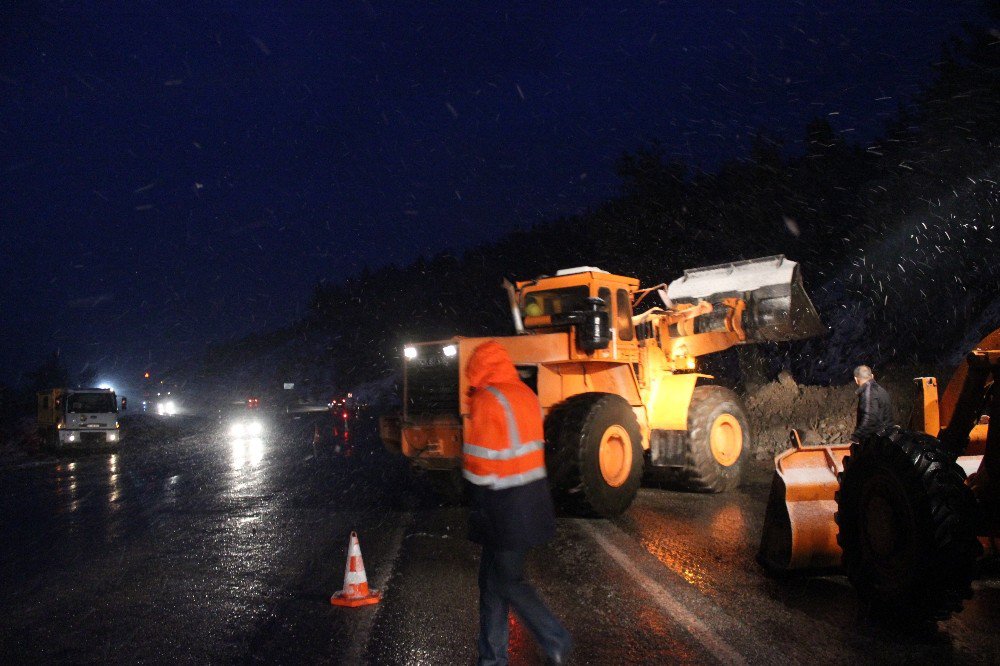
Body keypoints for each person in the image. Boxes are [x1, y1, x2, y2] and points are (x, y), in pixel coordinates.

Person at [463, 340, 572, 666]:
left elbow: (481, 466)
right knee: (493, 583)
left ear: (479, 368)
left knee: (508, 582)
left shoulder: (487, 399)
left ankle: (555, 637)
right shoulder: (526, 394)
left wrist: (470, 499)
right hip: (532, 501)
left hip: (502, 507)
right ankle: (492, 658)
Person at [850, 365, 894, 443]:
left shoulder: (868, 392)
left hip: (875, 442)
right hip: (886, 438)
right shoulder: (881, 390)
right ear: (872, 376)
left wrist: (857, 436)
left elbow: (870, 418)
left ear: (856, 379)